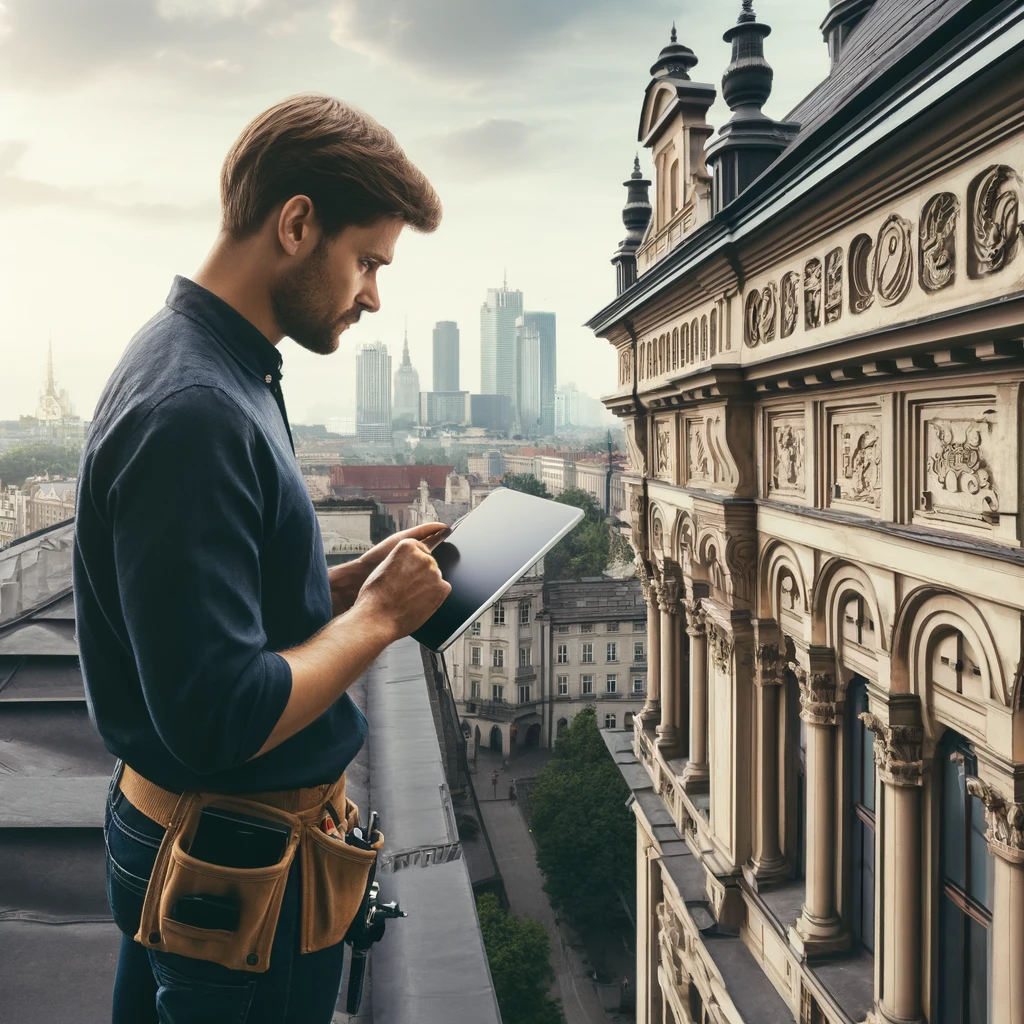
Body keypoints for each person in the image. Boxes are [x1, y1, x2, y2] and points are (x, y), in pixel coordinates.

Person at [72, 94, 451, 1024]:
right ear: (296, 223)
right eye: (367, 261)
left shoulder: (207, 362)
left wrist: (350, 586)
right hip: (238, 873)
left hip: (211, 847)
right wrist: (377, 622)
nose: (371, 294)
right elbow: (218, 714)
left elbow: (216, 619)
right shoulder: (196, 407)